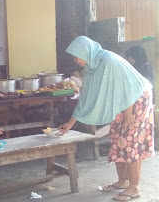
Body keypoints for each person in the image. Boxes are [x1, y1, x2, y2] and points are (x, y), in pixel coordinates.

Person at [58, 36, 154, 201]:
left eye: (76, 56)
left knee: (130, 142)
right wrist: (70, 123)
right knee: (118, 139)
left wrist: (128, 112)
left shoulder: (108, 60)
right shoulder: (91, 67)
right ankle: (123, 182)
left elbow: (129, 85)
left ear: (85, 52)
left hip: (136, 98)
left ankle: (134, 187)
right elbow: (85, 97)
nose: (75, 60)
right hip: (120, 101)